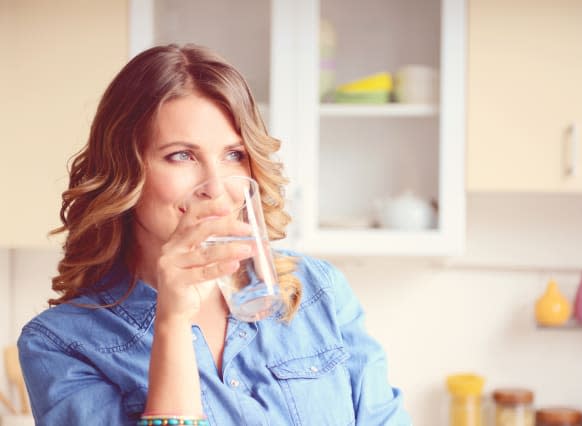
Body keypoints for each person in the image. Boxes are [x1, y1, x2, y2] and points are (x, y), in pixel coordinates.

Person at [18, 44, 411, 425]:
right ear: (124, 173)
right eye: (181, 156)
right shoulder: (61, 345)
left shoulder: (319, 291)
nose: (216, 186)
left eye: (233, 155)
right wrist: (172, 322)